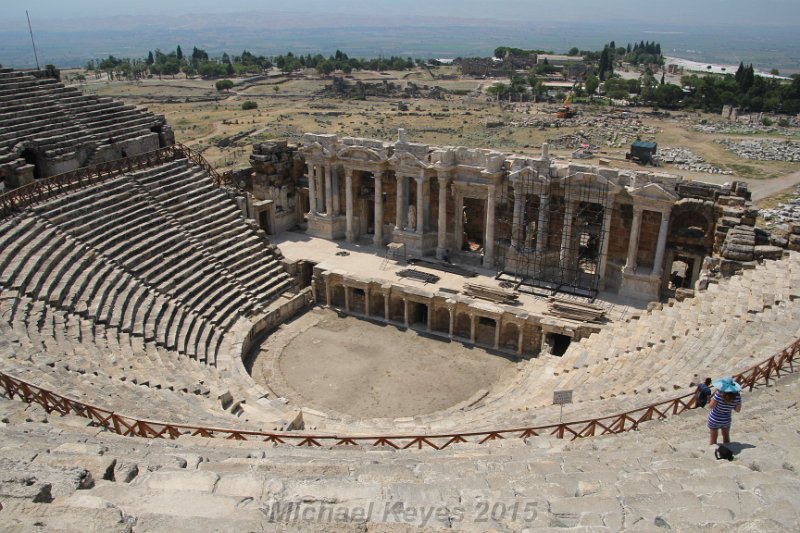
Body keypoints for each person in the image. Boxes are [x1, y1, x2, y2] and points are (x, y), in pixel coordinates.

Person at [707, 376, 742, 445]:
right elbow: (738, 410)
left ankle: (712, 451)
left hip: (714, 418)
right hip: (726, 420)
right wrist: (730, 405)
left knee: (713, 437)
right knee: (726, 436)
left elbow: (711, 406)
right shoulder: (737, 396)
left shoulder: (719, 394)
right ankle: (727, 449)